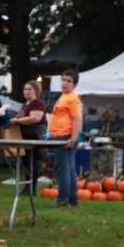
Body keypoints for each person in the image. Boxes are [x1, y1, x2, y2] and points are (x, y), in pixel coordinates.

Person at [48, 69, 83, 207]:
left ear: (74, 85)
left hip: (65, 136)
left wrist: (73, 138)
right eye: (63, 79)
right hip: (60, 136)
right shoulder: (63, 96)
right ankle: (72, 199)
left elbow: (78, 118)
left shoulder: (72, 98)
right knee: (69, 168)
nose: (65, 83)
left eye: (69, 81)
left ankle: (63, 199)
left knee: (64, 169)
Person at [10, 80, 48, 195]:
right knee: (26, 163)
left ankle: (32, 188)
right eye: (25, 89)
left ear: (36, 90)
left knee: (33, 162)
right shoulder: (25, 104)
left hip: (35, 137)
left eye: (29, 89)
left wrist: (17, 120)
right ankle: (27, 187)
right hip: (25, 138)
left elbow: (35, 118)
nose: (26, 92)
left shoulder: (38, 103)